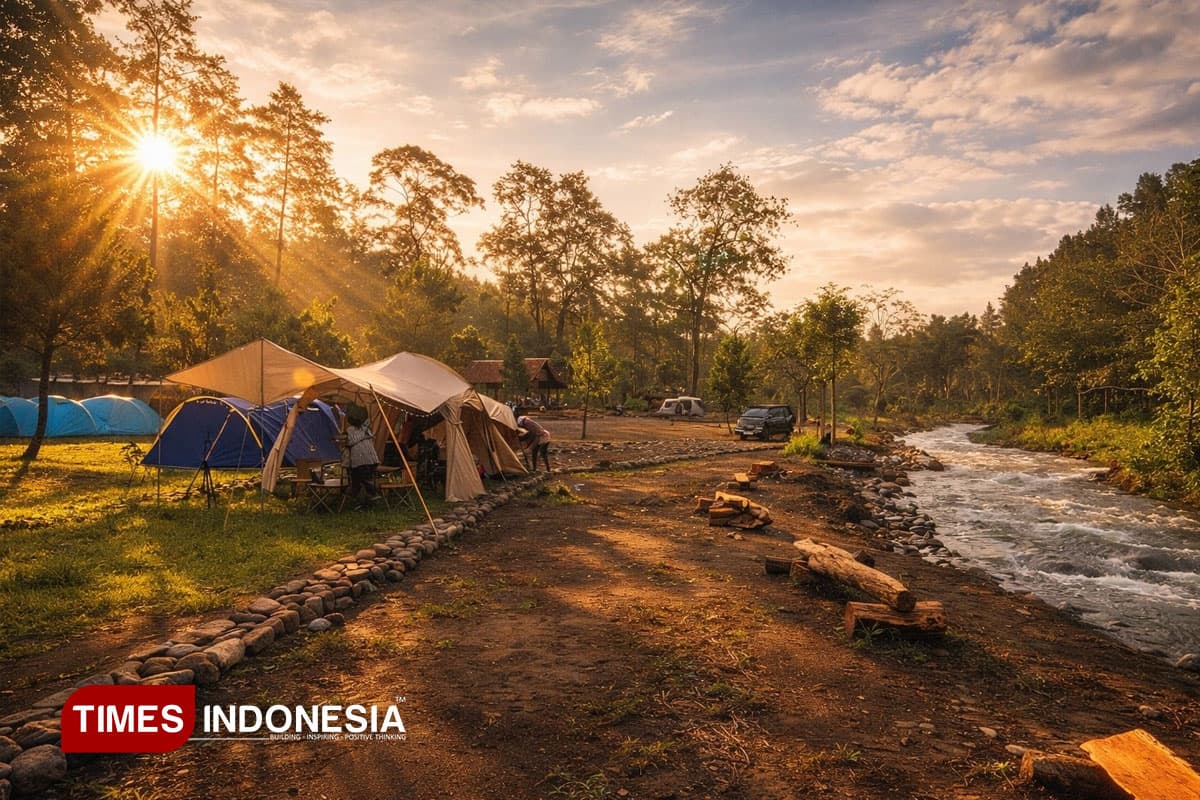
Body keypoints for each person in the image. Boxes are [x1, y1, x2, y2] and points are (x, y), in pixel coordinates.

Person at [343, 406, 381, 510]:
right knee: (358, 480)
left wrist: (364, 434)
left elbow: (351, 441)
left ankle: (370, 495)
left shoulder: (365, 429)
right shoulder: (356, 430)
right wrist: (363, 436)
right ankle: (362, 502)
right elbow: (351, 441)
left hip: (366, 459)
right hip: (362, 460)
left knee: (362, 479)